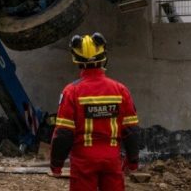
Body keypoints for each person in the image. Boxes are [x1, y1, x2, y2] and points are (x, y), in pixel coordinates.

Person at [50, 32, 141, 191]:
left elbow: (64, 133)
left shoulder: (71, 91)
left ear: (76, 59)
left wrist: (56, 165)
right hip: (112, 159)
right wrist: (132, 162)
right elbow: (131, 130)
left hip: (83, 161)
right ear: (103, 56)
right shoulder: (120, 90)